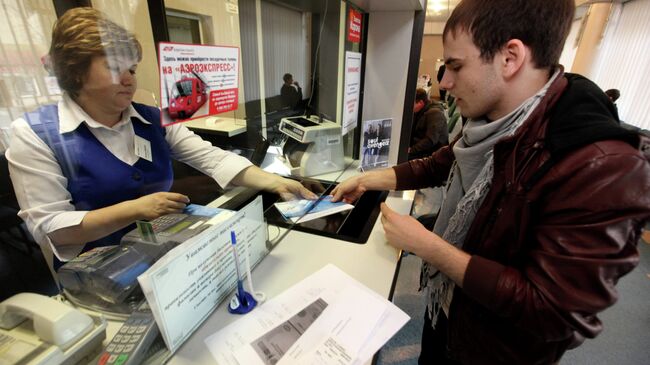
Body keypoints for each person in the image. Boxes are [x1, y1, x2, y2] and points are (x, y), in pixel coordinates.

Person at [332, 0, 650, 363]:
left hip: (496, 349)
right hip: (451, 312)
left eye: (455, 66)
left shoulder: (599, 165)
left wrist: (430, 246)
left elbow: (552, 311)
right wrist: (368, 179)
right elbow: (439, 165)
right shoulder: (491, 121)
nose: (446, 83)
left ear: (510, 58)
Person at [6, 8, 315, 270]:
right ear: (75, 72)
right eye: (115, 68)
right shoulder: (34, 134)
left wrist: (276, 182)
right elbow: (51, 228)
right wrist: (137, 208)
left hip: (167, 259)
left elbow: (213, 157)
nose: (128, 79)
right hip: (98, 276)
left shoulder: (151, 118)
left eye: (132, 69)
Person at [408, 88, 448, 160]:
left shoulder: (435, 113)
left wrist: (411, 150)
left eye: (411, 104)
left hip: (432, 153)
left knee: (401, 158)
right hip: (422, 145)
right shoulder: (420, 110)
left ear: (420, 103)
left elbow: (430, 140)